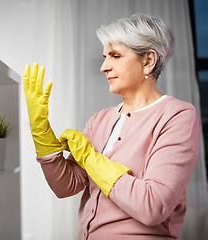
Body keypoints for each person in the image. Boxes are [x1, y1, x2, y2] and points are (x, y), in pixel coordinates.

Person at [23, 14, 201, 240]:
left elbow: (152, 206)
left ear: (148, 61)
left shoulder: (177, 116)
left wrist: (89, 157)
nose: (104, 67)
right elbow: (65, 187)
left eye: (115, 56)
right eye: (105, 56)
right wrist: (41, 130)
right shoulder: (100, 120)